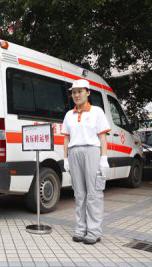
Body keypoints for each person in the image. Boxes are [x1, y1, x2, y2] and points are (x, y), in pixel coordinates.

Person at [61, 79, 111, 245]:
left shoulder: (97, 112)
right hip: (74, 152)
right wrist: (66, 158)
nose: (76, 95)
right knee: (79, 194)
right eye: (74, 92)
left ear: (88, 93)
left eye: (80, 91)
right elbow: (66, 139)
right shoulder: (69, 115)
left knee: (93, 193)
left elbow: (102, 137)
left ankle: (94, 231)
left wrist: (103, 159)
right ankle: (81, 229)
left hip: (92, 151)